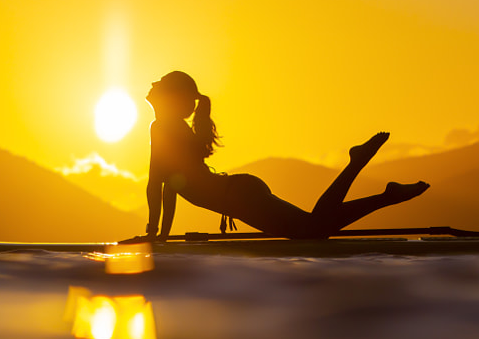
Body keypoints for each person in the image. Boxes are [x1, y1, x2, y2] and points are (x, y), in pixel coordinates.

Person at [145, 71, 429, 239]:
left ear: (170, 96)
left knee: (314, 229)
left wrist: (155, 233)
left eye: (159, 83)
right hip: (242, 192)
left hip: (240, 197)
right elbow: (170, 185)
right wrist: (161, 235)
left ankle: (359, 169)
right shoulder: (173, 129)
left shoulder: (163, 129)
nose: (152, 85)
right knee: (315, 226)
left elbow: (156, 184)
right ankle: (383, 193)